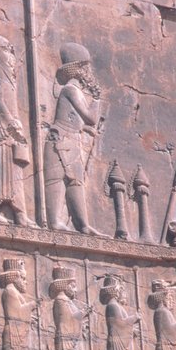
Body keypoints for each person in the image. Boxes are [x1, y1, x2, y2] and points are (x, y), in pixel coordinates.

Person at [43, 42, 102, 233]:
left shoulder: (74, 91)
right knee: (57, 178)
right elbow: (90, 118)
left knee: (76, 181)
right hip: (61, 140)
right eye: (86, 67)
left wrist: (85, 129)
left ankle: (83, 225)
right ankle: (54, 222)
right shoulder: (70, 90)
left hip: (71, 139)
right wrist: (98, 100)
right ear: (79, 69)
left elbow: (79, 121)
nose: (89, 71)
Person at [0, 34, 32, 226]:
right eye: (8, 54)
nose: (12, 60)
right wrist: (10, 120)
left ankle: (19, 212)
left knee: (16, 169)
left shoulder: (9, 75)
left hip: (11, 124)